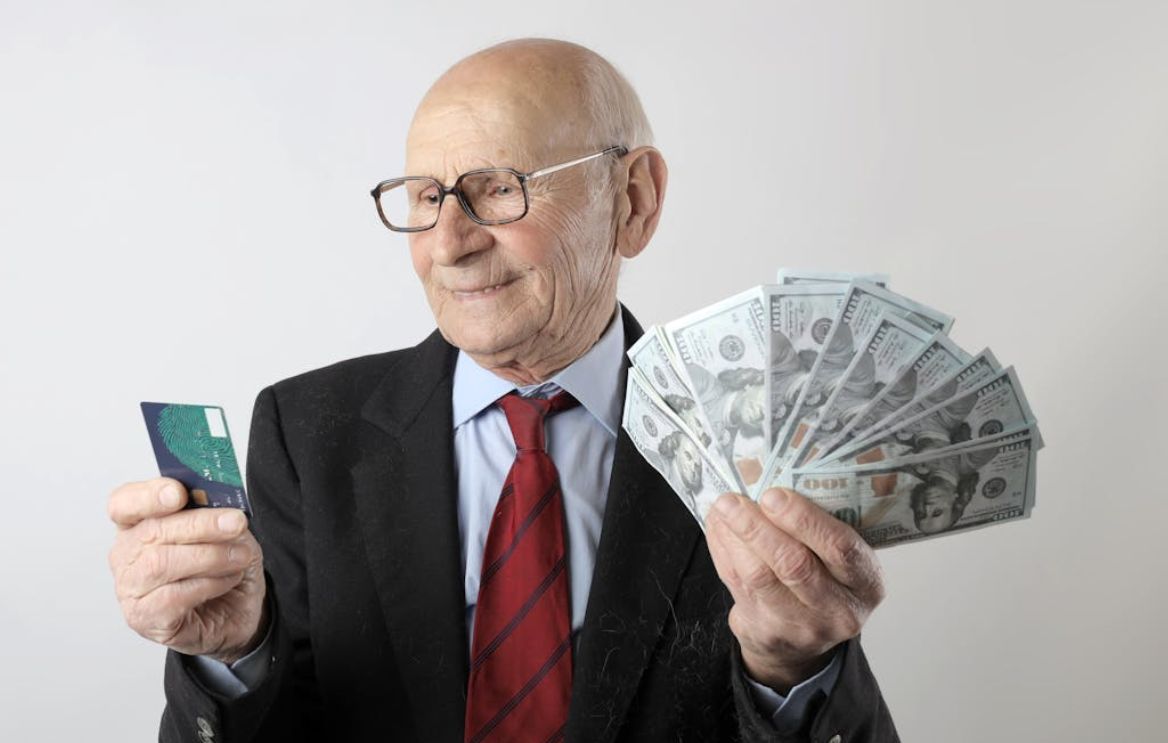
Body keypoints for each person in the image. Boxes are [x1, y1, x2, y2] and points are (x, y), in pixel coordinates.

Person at [107, 38, 898, 742]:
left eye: (497, 187)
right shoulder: (306, 432)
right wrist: (234, 656)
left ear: (633, 199)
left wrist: (795, 667)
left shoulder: (764, 439)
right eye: (426, 197)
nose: (449, 244)